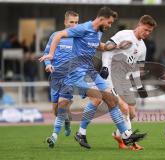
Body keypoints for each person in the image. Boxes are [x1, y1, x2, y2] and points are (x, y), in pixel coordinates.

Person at [39, 7, 146, 149]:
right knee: (102, 97)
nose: (109, 25)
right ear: (102, 19)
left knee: (111, 98)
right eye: (109, 22)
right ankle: (121, 134)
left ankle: (120, 134)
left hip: (90, 70)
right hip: (75, 73)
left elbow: (99, 46)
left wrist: (117, 46)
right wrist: (51, 55)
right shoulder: (82, 28)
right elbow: (58, 36)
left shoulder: (98, 31)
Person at [100, 15, 157, 150]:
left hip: (123, 80)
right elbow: (107, 50)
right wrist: (105, 67)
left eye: (150, 31)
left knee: (132, 113)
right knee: (124, 108)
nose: (147, 33)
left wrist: (139, 86)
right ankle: (131, 142)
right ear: (139, 24)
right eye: (145, 29)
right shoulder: (124, 34)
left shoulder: (142, 47)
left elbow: (136, 69)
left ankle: (118, 134)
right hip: (110, 76)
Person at [42, 10, 79, 147]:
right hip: (55, 77)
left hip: (70, 77)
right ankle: (67, 123)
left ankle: (54, 136)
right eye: (71, 22)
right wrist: (48, 65)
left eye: (76, 22)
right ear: (65, 22)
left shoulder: (79, 38)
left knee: (62, 105)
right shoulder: (56, 36)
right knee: (56, 111)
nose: (74, 25)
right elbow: (47, 53)